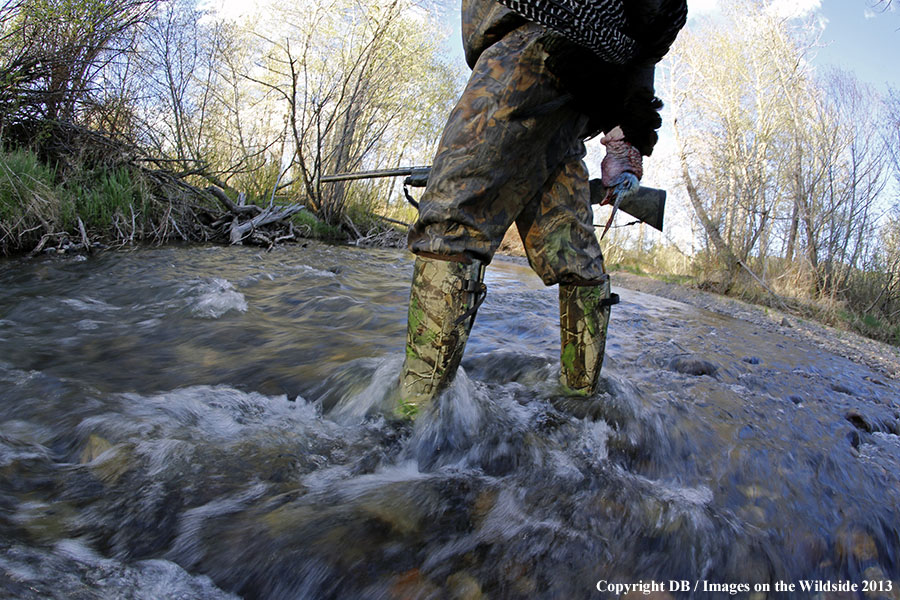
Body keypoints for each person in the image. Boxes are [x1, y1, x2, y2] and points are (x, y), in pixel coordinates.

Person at [396, 0, 688, 418]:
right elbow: (648, 38)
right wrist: (627, 134)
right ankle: (581, 410)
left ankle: (408, 425)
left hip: (532, 52)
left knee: (450, 223)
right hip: (574, 89)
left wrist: (628, 129)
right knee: (571, 251)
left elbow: (649, 24)